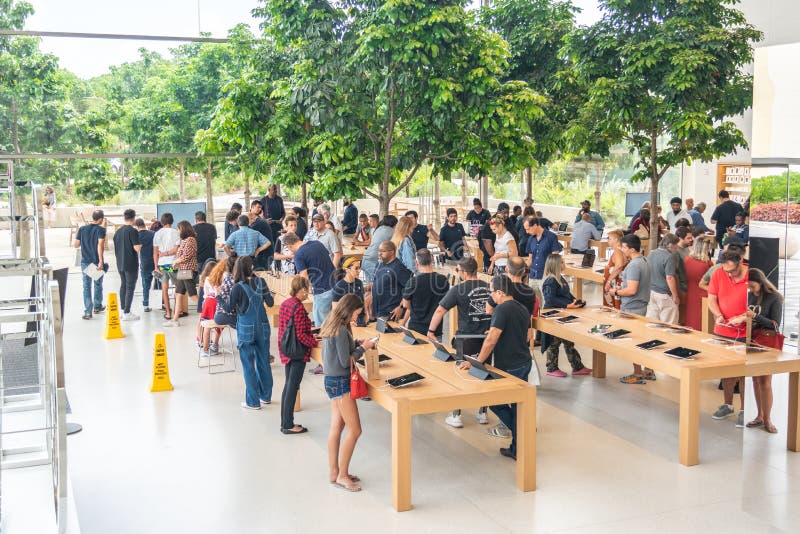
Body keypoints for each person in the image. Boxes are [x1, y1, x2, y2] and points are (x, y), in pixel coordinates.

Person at [458, 275, 532, 460]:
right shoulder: (521, 308)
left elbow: (491, 341)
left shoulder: (502, 310)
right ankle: (518, 446)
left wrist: (478, 362)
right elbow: (526, 335)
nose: (491, 296)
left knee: (495, 401)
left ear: (500, 292)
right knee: (517, 406)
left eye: (492, 292)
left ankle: (520, 434)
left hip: (509, 365)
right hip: (523, 361)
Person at [427, 257, 492, 428]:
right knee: (484, 373)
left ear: (463, 272)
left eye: (458, 271)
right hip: (486, 339)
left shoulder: (458, 289)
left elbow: (441, 310)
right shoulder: (489, 287)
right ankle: (483, 413)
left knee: (461, 376)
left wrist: (431, 331)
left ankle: (457, 415)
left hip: (466, 338)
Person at [321, 294, 376, 492]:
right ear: (349, 309)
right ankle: (343, 476)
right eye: (356, 313)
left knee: (336, 426)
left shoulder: (331, 323)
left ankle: (334, 471)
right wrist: (363, 347)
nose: (356, 317)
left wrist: (356, 343)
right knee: (355, 430)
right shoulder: (342, 331)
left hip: (330, 380)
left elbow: (340, 352)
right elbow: (346, 361)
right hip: (341, 382)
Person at [223, 256, 275, 410]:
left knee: (248, 365)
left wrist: (218, 296)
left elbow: (228, 308)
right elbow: (270, 303)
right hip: (264, 327)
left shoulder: (237, 287)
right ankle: (265, 396)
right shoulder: (261, 282)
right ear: (251, 267)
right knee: (264, 361)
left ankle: (253, 402)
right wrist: (271, 295)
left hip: (246, 328)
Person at [708, 250, 748, 427]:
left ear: (740, 262)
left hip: (744, 333)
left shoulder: (752, 275)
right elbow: (712, 299)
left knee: (742, 374)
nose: (729, 274)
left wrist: (743, 317)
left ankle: (744, 410)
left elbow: (759, 306)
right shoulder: (718, 273)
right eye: (727, 271)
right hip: (722, 330)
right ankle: (727, 404)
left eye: (732, 270)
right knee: (725, 371)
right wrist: (718, 315)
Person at [608, 234, 653, 385]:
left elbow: (632, 290)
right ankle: (648, 369)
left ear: (632, 249)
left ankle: (637, 373)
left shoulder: (634, 265)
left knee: (633, 343)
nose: (621, 249)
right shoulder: (644, 261)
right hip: (641, 305)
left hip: (632, 307)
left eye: (624, 247)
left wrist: (616, 292)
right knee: (641, 339)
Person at [278, 276, 318, 434]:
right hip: (297, 353)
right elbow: (301, 335)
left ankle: (285, 421)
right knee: (292, 387)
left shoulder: (286, 304)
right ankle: (288, 425)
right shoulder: (299, 308)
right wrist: (315, 343)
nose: (307, 292)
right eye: (306, 289)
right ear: (300, 290)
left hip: (287, 350)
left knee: (288, 386)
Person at [745, 268, 783, 434]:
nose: (751, 289)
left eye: (752, 286)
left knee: (765, 382)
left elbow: (775, 325)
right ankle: (760, 415)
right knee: (755, 380)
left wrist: (754, 316)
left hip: (767, 343)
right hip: (752, 340)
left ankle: (767, 419)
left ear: (760, 282)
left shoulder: (775, 298)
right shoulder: (751, 295)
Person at [540, 255, 591, 377]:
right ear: (556, 265)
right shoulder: (550, 281)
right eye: (562, 262)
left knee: (568, 341)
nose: (564, 264)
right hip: (553, 316)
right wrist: (568, 305)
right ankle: (551, 368)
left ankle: (577, 366)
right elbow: (550, 299)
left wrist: (575, 301)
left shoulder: (560, 278)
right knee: (554, 343)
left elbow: (567, 294)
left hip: (562, 314)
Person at [283, 232, 336, 327]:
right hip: (336, 285)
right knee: (335, 322)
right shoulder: (317, 243)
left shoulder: (298, 255)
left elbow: (304, 277)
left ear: (289, 246)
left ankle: (326, 342)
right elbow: (320, 262)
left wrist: (304, 293)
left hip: (322, 290)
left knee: (322, 326)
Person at [401, 249, 449, 336]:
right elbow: (445, 303)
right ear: (432, 260)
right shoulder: (443, 280)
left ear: (416, 262)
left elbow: (405, 305)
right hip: (435, 329)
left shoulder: (413, 282)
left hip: (416, 327)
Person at [163, 221, 199, 327]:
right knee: (178, 294)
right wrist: (176, 263)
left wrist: (176, 262)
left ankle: (208, 315)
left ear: (184, 229)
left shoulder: (190, 240)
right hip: (183, 270)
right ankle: (174, 320)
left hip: (188, 270)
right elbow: (181, 255)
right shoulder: (184, 241)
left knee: (193, 296)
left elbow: (187, 255)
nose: (178, 231)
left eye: (179, 229)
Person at [74, 209, 107, 320]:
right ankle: (97, 306)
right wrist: (101, 261)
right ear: (101, 219)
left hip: (85, 261)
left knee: (86, 286)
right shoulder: (101, 230)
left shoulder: (82, 229)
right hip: (96, 261)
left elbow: (76, 245)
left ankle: (88, 312)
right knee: (97, 284)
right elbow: (100, 245)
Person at [371, 240, 413, 320]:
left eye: (383, 251)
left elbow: (410, 288)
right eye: (379, 251)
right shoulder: (380, 264)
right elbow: (375, 282)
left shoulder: (398, 267)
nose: (379, 253)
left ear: (391, 252)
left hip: (391, 312)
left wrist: (400, 307)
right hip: (378, 310)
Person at [113, 209, 142, 321]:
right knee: (130, 287)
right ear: (134, 218)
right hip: (130, 263)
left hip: (120, 263)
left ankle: (122, 310)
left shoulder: (118, 232)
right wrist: (141, 244)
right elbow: (137, 248)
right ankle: (127, 312)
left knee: (123, 285)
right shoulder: (133, 231)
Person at [646, 233, 680, 325]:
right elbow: (670, 277)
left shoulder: (652, 253)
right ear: (671, 245)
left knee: (652, 324)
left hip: (652, 292)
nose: (677, 247)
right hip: (665, 295)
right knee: (669, 325)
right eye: (676, 245)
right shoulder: (669, 256)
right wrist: (675, 296)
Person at [524, 216, 563, 291]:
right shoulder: (530, 239)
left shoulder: (551, 237)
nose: (527, 232)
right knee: (534, 302)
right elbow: (530, 259)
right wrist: (520, 269)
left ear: (535, 225)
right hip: (533, 276)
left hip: (546, 276)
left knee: (547, 301)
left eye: (528, 229)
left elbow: (555, 259)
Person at [683, 237, 714, 331]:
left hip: (689, 292)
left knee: (690, 316)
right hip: (703, 294)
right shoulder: (707, 264)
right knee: (701, 320)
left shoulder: (687, 260)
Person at [479, 203, 517, 273]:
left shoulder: (507, 233)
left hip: (507, 265)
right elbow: (491, 247)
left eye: (507, 213)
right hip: (495, 262)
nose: (506, 215)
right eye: (504, 213)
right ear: (498, 212)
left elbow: (514, 252)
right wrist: (492, 263)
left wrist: (499, 256)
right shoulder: (491, 225)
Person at [332, 257, 368, 325]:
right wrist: (348, 322)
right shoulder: (339, 287)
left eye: (359, 268)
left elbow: (363, 299)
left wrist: (366, 314)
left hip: (360, 320)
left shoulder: (359, 282)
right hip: (348, 322)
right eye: (356, 268)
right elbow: (335, 310)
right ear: (347, 270)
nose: (359, 271)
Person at [361, 215, 397, 283]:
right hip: (372, 261)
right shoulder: (390, 230)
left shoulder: (379, 228)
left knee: (370, 286)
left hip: (365, 259)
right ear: (393, 223)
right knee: (377, 284)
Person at [196, 260, 220, 357]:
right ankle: (214, 344)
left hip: (207, 302)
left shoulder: (206, 279)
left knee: (206, 325)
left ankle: (204, 348)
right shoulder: (217, 279)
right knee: (218, 324)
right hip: (215, 302)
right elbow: (218, 292)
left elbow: (205, 294)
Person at [602, 230, 628, 309]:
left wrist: (609, 281)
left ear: (616, 239)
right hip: (617, 282)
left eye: (609, 238)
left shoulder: (617, 250)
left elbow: (619, 265)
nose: (608, 241)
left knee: (613, 307)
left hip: (614, 283)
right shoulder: (622, 250)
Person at [247, 200, 275, 270]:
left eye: (260, 208)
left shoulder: (257, 223)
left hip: (265, 252)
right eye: (258, 207)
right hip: (264, 251)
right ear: (252, 207)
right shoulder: (257, 220)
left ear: (252, 220)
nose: (259, 209)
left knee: (262, 273)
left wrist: (258, 250)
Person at [212, 256, 238, 328]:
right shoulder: (232, 279)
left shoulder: (228, 278)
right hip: (226, 314)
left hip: (220, 314)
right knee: (246, 322)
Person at [135, 218, 155, 312]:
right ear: (144, 224)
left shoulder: (137, 236)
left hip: (145, 264)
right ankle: (160, 303)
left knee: (146, 285)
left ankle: (146, 305)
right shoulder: (152, 233)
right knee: (159, 284)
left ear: (137, 226)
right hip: (156, 263)